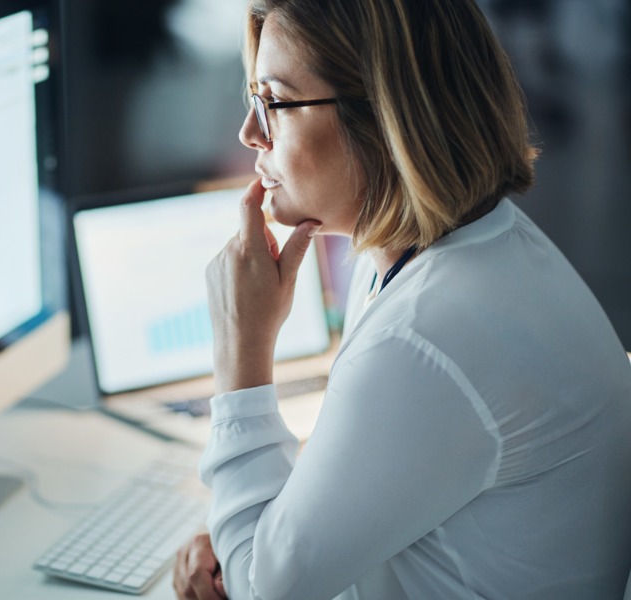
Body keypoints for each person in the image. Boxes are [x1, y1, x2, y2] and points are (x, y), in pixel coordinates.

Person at [173, 0, 631, 599]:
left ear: (384, 118)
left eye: (276, 103)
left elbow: (265, 592)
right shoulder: (460, 245)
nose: (250, 133)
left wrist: (242, 352)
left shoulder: (426, 335)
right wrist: (251, 533)